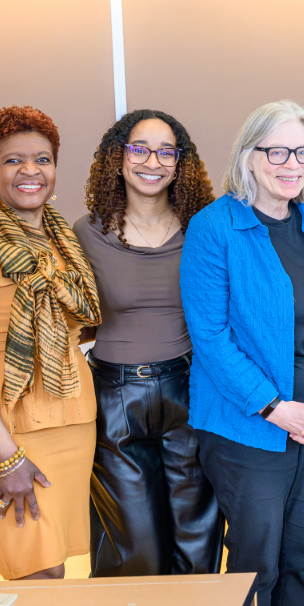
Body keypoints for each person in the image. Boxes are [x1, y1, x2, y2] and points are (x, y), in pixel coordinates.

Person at [181, 100, 304, 606]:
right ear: (250, 156)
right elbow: (210, 338)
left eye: (303, 151)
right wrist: (274, 407)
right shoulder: (214, 227)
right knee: (258, 562)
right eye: (277, 151)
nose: (292, 164)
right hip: (249, 425)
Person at [0, 106, 101, 580]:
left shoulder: (65, 243)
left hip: (71, 423)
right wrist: (7, 457)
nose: (30, 171)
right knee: (38, 575)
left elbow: (80, 328)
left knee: (57, 570)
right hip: (0, 437)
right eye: (13, 161)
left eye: (43, 159)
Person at [75, 109, 222, 576]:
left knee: (198, 542)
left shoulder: (204, 229)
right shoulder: (85, 233)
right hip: (115, 399)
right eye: (139, 148)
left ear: (181, 162)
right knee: (133, 549)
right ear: (117, 159)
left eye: (166, 151)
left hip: (190, 390)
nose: (152, 161)